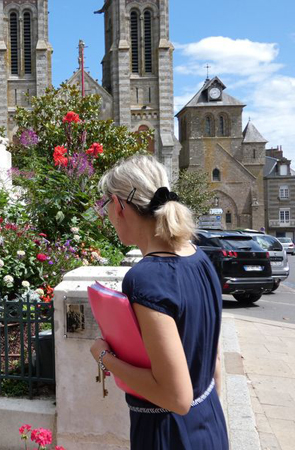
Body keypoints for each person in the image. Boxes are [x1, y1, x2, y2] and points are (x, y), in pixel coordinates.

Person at [90, 154, 229, 450]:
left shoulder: (147, 278)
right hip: (209, 420)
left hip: (168, 434)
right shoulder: (200, 258)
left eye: (106, 207)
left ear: (118, 205)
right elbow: (213, 360)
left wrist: (104, 358)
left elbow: (175, 398)